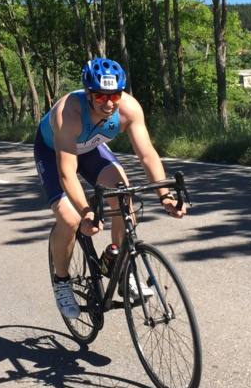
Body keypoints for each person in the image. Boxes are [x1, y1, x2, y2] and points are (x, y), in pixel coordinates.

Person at [34, 57, 187, 319]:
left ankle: (116, 264)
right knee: (69, 220)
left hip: (91, 148)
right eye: (100, 96)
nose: (108, 103)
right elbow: (67, 173)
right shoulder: (68, 114)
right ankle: (62, 281)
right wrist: (86, 211)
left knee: (124, 197)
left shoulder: (129, 108)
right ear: (88, 93)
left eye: (114, 95)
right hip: (54, 153)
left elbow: (147, 155)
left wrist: (165, 196)